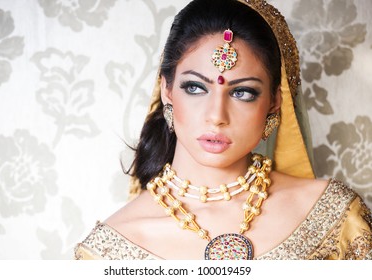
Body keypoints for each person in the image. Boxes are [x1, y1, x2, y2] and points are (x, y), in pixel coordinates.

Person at [74, 0, 372, 260]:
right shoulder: (109, 250)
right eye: (195, 87)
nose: (216, 116)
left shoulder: (336, 217)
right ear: (167, 90)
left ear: (273, 102)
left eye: (243, 92)